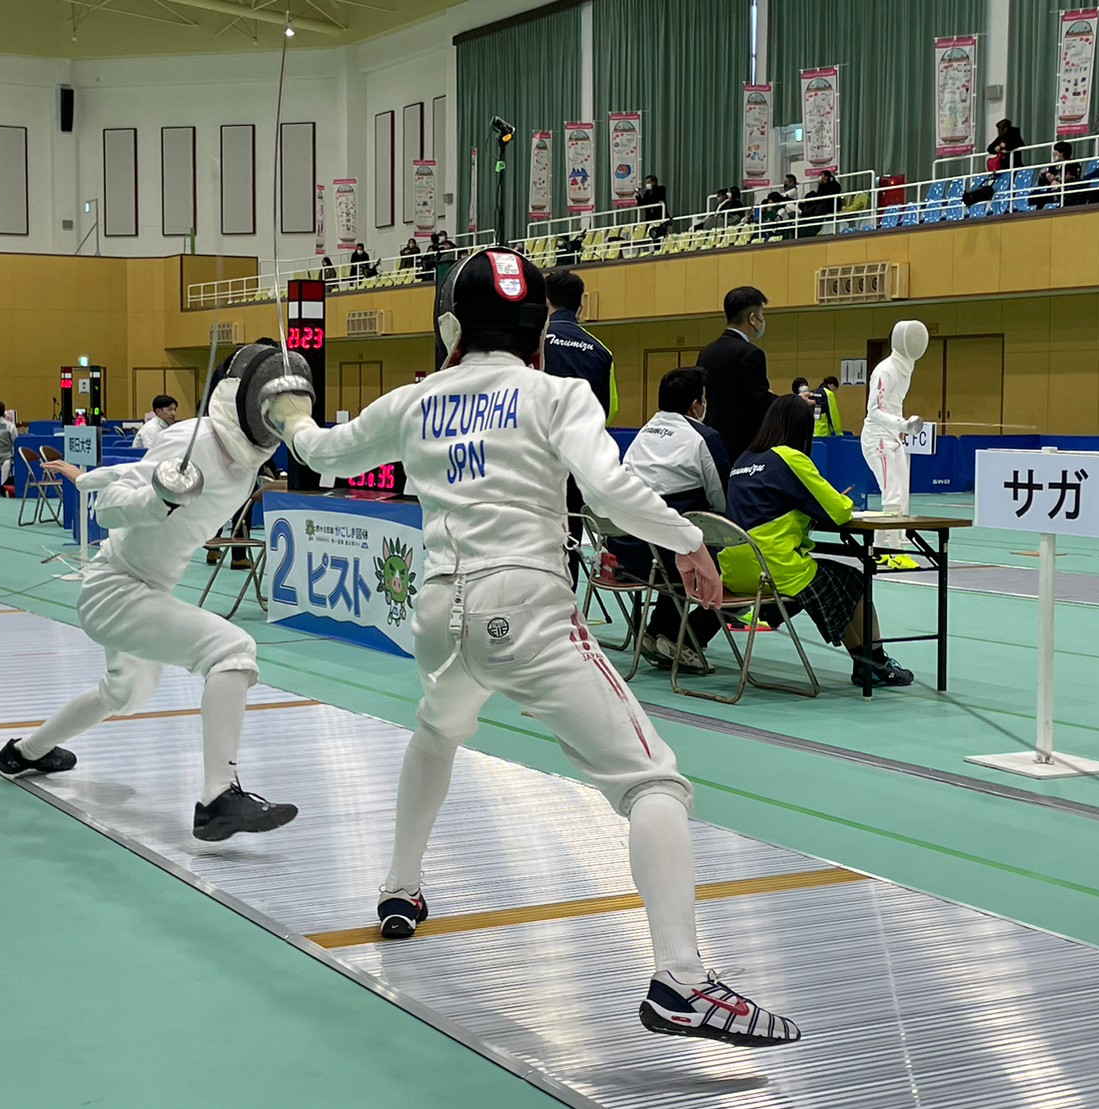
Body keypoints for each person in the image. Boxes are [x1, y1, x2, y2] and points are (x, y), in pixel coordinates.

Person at [265, 246, 799, 1047]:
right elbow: (613, 491)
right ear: (537, 326)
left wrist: (285, 409)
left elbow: (319, 452)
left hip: (438, 612)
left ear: (453, 324)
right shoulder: (555, 394)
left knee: (439, 728)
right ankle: (681, 979)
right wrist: (688, 540)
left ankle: (399, 887)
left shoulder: (416, 399)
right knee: (654, 781)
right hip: (524, 607)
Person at [0, 342, 300, 845]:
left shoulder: (246, 453)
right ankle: (218, 797)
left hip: (148, 587)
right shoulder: (192, 442)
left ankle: (22, 754)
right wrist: (158, 497)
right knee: (233, 651)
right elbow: (108, 509)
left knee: (126, 693)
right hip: (116, 588)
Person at [725, 395, 913, 688]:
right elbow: (837, 512)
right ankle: (874, 661)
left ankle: (867, 663)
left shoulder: (744, 459)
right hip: (777, 570)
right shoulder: (790, 458)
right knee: (855, 581)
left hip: (735, 571)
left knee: (842, 578)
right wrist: (842, 500)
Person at [607, 368, 730, 672]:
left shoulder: (643, 433)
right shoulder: (704, 437)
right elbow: (722, 500)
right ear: (695, 405)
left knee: (678, 555)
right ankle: (684, 640)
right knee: (727, 560)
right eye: (704, 398)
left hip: (624, 553)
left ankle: (657, 633)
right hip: (669, 553)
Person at [544, 268, 617, 588]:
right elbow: (609, 411)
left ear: (545, 303)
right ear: (580, 307)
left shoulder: (531, 341)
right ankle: (563, 609)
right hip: (575, 460)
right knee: (569, 535)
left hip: (531, 456)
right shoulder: (601, 352)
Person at [861, 320, 928, 559]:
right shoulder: (885, 370)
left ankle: (881, 548)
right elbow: (875, 411)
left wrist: (904, 427)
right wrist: (903, 424)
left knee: (900, 492)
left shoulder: (905, 368)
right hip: (877, 438)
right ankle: (894, 552)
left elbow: (893, 405)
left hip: (892, 437)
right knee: (893, 493)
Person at [699, 286, 774, 463]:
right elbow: (759, 400)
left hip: (710, 444)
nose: (763, 319)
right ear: (752, 318)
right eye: (762, 314)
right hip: (742, 448)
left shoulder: (706, 352)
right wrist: (793, 403)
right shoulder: (750, 353)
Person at [1030, 141, 1075, 207]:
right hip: (1051, 192)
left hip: (1064, 191)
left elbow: (1071, 177)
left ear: (1061, 153)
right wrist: (1045, 175)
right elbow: (1042, 182)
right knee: (1034, 195)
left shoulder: (1072, 164)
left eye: (1056, 152)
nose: (1054, 154)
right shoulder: (1053, 165)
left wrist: (1055, 178)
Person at [797, 171, 841, 236]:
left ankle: (806, 214)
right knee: (810, 196)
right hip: (820, 202)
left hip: (829, 204)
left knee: (816, 204)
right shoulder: (821, 186)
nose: (820, 177)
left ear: (826, 177)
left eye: (822, 175)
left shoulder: (834, 184)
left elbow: (829, 195)